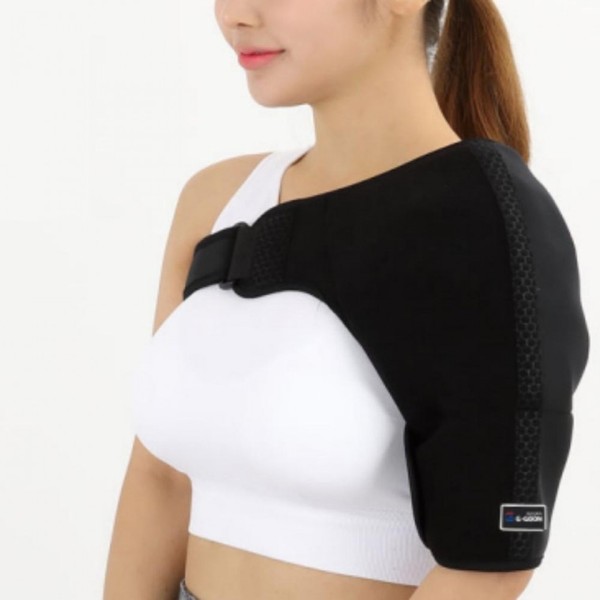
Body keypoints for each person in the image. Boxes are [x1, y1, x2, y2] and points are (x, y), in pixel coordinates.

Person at [103, 1, 590, 599]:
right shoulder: (221, 202)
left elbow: (490, 563)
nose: (233, 14)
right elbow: (161, 476)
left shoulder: (486, 221)